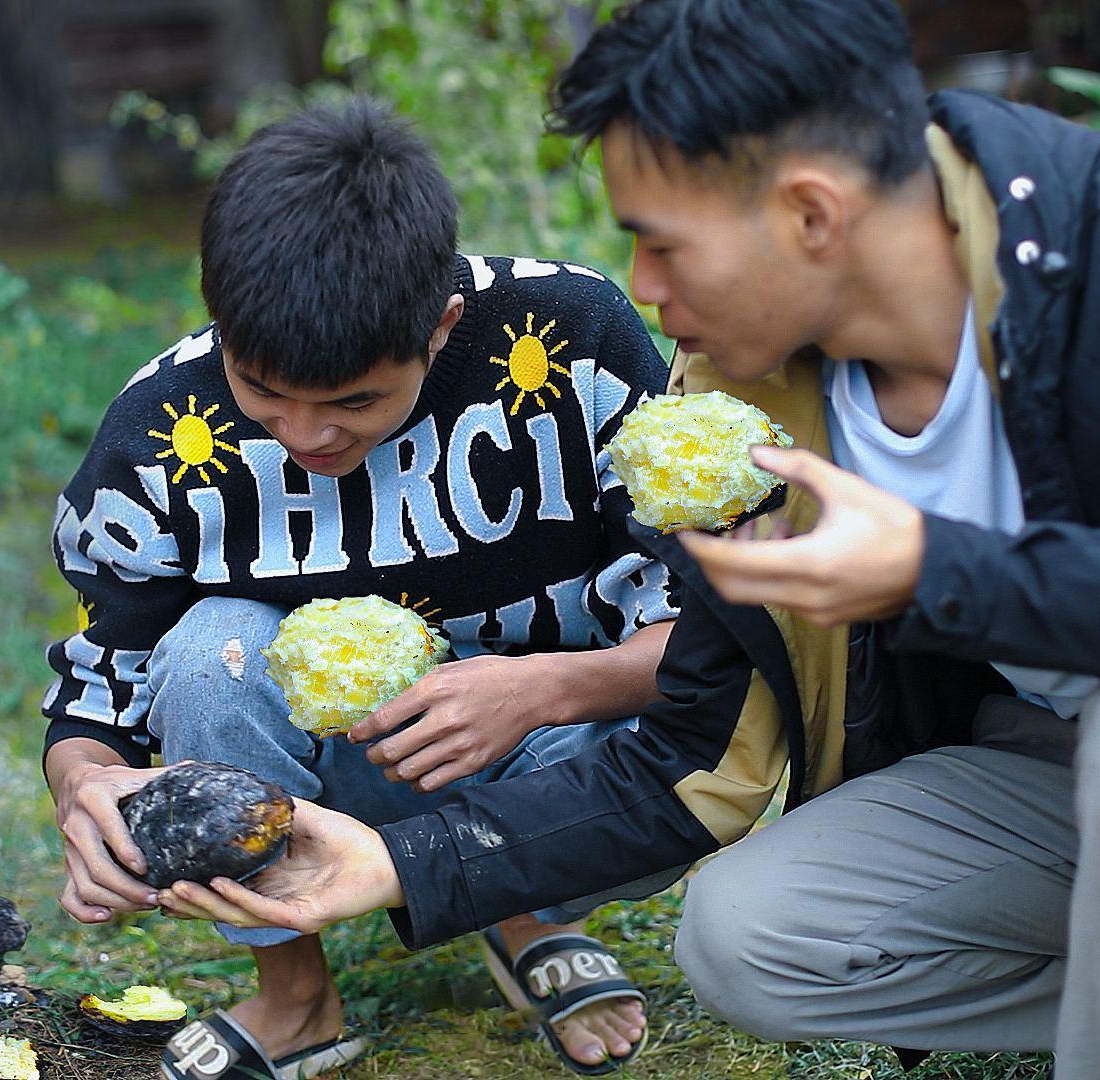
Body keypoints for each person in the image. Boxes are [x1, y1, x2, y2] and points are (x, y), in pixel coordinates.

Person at [157, 2, 1100, 1077]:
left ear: (810, 213)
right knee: (751, 939)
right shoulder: (744, 397)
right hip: (1043, 771)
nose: (639, 283)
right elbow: (694, 751)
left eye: (662, 242)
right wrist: (398, 864)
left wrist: (938, 570)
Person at [40, 99, 681, 1079]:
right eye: (263, 391)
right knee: (209, 649)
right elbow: (99, 692)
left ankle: (517, 908)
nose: (305, 435)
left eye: (354, 402)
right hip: (323, 775)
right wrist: (89, 789)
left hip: (553, 749)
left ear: (443, 326)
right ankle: (297, 1000)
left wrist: (544, 688)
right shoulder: (162, 434)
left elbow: (705, 637)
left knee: (689, 747)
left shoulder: (574, 343)